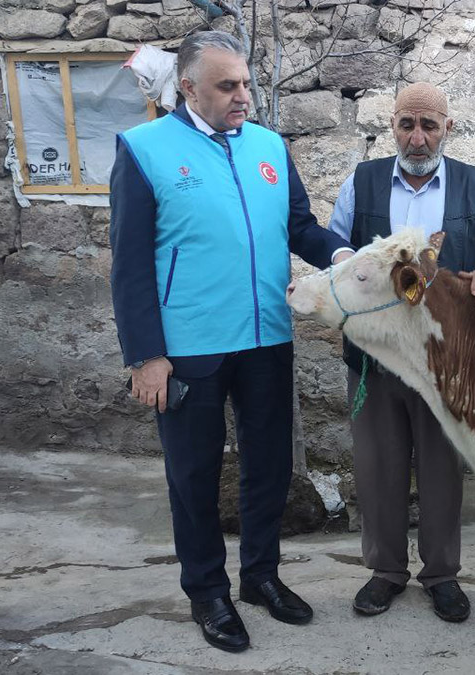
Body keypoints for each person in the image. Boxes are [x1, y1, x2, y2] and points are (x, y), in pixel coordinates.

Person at [108, 31, 353, 653]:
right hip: (186, 345)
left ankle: (261, 576)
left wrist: (343, 257)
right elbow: (129, 263)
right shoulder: (144, 149)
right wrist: (145, 355)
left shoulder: (268, 146)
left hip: (266, 335)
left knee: (269, 467)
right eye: (227, 86)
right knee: (194, 474)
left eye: (245, 83)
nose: (243, 95)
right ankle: (207, 592)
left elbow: (299, 226)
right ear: (188, 87)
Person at [327, 82, 475, 623]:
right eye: (407, 125)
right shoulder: (362, 182)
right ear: (392, 125)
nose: (417, 138)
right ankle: (385, 571)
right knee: (377, 466)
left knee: (442, 469)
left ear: (447, 128)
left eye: (429, 126)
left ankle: (441, 575)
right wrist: (351, 262)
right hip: (374, 356)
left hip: (446, 362)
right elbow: (334, 243)